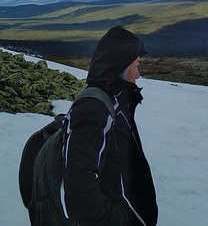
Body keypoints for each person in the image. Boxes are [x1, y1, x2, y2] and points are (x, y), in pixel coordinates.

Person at [65, 26, 158, 225]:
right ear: (122, 66)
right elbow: (78, 184)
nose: (138, 75)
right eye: (136, 65)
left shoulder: (114, 101)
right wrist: (118, 219)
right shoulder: (95, 109)